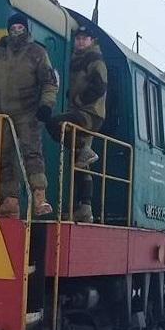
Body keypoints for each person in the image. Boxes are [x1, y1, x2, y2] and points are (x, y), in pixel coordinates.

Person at [0, 12, 58, 218]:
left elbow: (49, 82)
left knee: (32, 155)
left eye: (20, 28)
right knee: (3, 157)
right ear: (8, 30)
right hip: (1, 113)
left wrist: (46, 105)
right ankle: (10, 201)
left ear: (26, 29)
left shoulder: (37, 52)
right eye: (13, 28)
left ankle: (39, 198)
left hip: (28, 113)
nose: (16, 31)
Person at [48, 25, 107, 223]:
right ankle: (84, 208)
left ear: (92, 41)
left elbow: (99, 87)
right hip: (81, 112)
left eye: (85, 38)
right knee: (79, 162)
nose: (81, 41)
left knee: (55, 123)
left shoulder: (94, 60)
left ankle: (84, 149)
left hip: (90, 114)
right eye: (78, 38)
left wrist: (79, 100)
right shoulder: (76, 59)